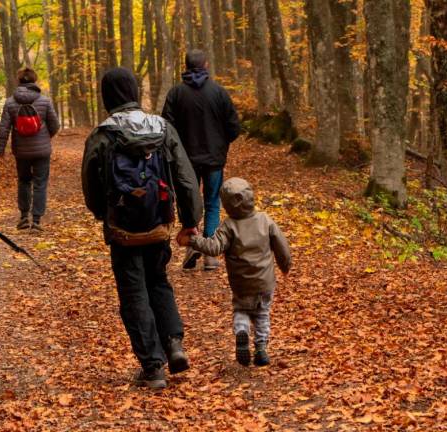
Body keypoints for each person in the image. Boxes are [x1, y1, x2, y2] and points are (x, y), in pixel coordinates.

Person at [82, 67, 203, 389]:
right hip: (158, 222)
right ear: (135, 91)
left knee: (133, 293)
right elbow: (186, 177)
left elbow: (90, 185)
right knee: (158, 281)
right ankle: (174, 343)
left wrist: (103, 215)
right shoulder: (162, 128)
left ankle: (152, 366)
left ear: (107, 95)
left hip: (122, 229)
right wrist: (190, 221)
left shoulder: (103, 134)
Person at [179, 177, 291, 367]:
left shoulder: (228, 226)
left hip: (241, 283)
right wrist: (285, 265)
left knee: (241, 310)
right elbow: (281, 246)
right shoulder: (265, 220)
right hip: (265, 281)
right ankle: (261, 347)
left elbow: (214, 248)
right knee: (262, 313)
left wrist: (193, 241)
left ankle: (242, 331)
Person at [162, 49, 241, 271]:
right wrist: (222, 142)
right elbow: (234, 126)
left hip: (185, 160)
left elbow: (166, 127)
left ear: (186, 67)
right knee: (212, 202)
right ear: (205, 65)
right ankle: (210, 253)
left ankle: (192, 246)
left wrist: (176, 149)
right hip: (214, 159)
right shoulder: (219, 93)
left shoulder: (176, 94)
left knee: (189, 201)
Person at [0, 67, 60, 232]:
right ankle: (37, 221)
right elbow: (55, 125)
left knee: (24, 181)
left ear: (19, 81)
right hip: (42, 151)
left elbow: (4, 128)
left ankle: (24, 217)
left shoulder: (10, 102)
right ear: (34, 81)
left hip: (21, 151)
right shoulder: (44, 101)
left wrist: (0, 149)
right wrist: (46, 137)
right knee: (40, 183)